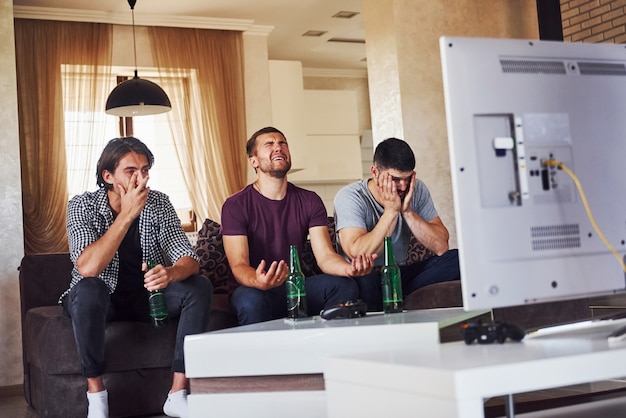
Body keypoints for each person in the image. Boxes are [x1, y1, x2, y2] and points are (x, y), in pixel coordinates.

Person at [61, 137, 212, 418]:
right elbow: (87, 268)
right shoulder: (82, 205)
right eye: (131, 171)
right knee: (88, 288)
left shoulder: (159, 203)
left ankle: (178, 394)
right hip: (100, 297)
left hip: (146, 297)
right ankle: (97, 398)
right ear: (108, 176)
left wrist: (171, 272)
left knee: (198, 286)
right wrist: (126, 215)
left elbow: (188, 257)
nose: (140, 178)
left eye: (145, 170)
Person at [221, 126, 377, 325]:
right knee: (251, 301)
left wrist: (349, 270)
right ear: (254, 161)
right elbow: (239, 265)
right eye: (269, 144)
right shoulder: (235, 205)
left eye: (282, 143)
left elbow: (325, 256)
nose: (278, 147)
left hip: (295, 285)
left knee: (344, 286)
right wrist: (258, 281)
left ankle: (326, 350)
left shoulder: (310, 200)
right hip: (254, 289)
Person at [334, 137, 460, 311]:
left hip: (398, 274)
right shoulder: (350, 196)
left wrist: (408, 212)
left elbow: (441, 246)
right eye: (395, 179)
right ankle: (395, 299)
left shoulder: (416, 190)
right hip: (365, 275)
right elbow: (358, 253)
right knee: (365, 279)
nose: (402, 186)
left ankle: (398, 296)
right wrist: (391, 211)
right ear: (375, 172)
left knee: (457, 259)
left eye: (407, 178)